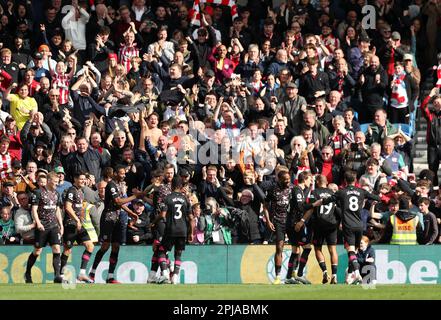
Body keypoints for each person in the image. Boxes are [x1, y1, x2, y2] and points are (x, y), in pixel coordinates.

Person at [321, 170, 381, 285]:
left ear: (344, 181)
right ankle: (350, 275)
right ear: (356, 180)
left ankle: (356, 273)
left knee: (351, 251)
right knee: (355, 251)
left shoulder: (341, 192)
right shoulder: (361, 191)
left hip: (348, 225)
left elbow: (327, 201)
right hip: (359, 225)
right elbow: (377, 198)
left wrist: (319, 202)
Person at [88, 165, 144, 283]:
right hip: (108, 218)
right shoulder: (111, 185)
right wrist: (135, 196)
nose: (123, 175)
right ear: (115, 174)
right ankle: (92, 273)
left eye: (124, 173)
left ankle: (110, 276)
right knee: (105, 246)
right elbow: (117, 201)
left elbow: (119, 204)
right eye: (121, 173)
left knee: (116, 246)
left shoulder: (118, 186)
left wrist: (131, 213)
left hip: (118, 219)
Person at [25, 172, 64, 283]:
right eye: (55, 182)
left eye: (58, 182)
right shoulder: (38, 192)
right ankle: (27, 272)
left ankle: (57, 276)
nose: (57, 184)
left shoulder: (56, 193)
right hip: (42, 226)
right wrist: (38, 223)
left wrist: (61, 225)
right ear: (49, 181)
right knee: (37, 251)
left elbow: (57, 210)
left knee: (56, 249)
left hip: (53, 226)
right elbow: (34, 210)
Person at [302, 175, 340, 284]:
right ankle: (334, 275)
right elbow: (337, 209)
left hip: (319, 224)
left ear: (318, 182)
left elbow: (312, 207)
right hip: (331, 224)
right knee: (332, 250)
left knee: (318, 249)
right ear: (327, 182)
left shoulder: (314, 193)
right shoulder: (333, 193)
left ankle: (324, 271)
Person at [157, 176, 194, 284]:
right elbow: (191, 218)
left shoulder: (168, 198)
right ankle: (175, 277)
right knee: (178, 254)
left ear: (172, 185)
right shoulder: (186, 199)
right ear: (181, 186)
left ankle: (164, 274)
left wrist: (155, 222)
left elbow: (163, 214)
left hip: (171, 229)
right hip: (183, 230)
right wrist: (191, 232)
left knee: (161, 251)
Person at [60, 172, 94, 283]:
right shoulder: (71, 190)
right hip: (70, 224)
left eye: (84, 179)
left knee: (90, 246)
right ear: (75, 179)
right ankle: (61, 275)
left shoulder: (81, 191)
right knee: (67, 249)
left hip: (79, 225)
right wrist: (76, 219)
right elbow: (68, 207)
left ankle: (82, 274)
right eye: (81, 179)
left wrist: (81, 218)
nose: (83, 181)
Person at [289, 171, 322, 284]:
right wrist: (314, 204)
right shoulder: (297, 190)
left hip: (293, 222)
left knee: (295, 250)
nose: (311, 181)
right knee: (307, 248)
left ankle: (289, 276)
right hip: (295, 223)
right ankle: (299, 275)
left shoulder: (300, 190)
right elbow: (300, 207)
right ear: (305, 179)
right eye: (310, 180)